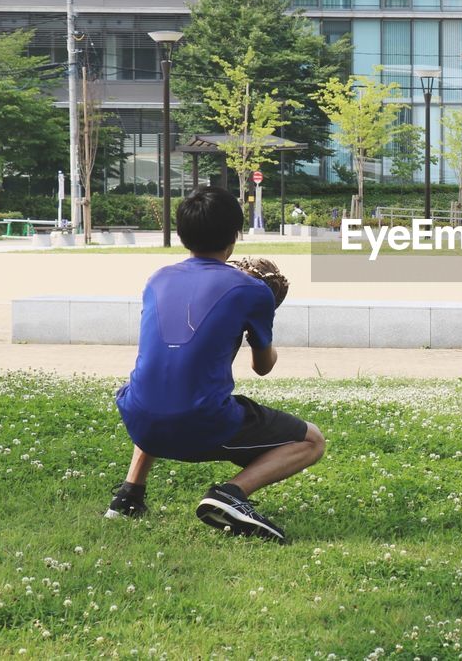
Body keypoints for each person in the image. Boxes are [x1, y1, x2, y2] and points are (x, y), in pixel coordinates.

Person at [105, 187, 325, 542]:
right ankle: (232, 494)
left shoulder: (157, 278)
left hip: (139, 419)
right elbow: (262, 367)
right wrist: (262, 321)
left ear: (181, 235)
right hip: (200, 425)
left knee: (164, 382)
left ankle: (129, 494)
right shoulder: (253, 291)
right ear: (235, 236)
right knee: (312, 441)